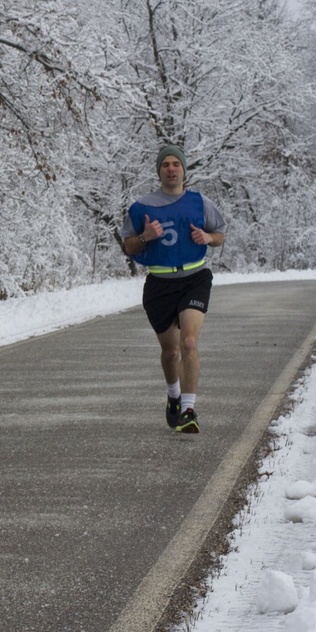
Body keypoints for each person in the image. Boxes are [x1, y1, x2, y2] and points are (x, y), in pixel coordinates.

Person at [121, 145, 226, 434]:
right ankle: (173, 395)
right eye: (165, 164)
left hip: (195, 277)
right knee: (170, 353)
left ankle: (189, 410)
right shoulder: (142, 206)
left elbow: (219, 234)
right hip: (159, 283)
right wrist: (146, 236)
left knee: (189, 343)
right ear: (159, 170)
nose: (170, 168)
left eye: (175, 164)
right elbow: (129, 245)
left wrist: (208, 236)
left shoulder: (199, 201)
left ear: (183, 169)